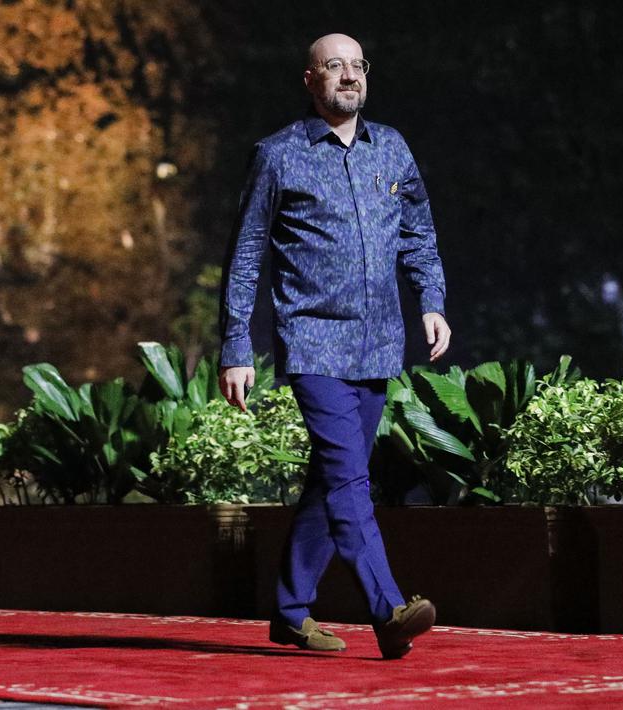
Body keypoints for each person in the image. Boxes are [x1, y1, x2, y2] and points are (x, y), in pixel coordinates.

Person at [218, 33, 452, 660]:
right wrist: (236, 345)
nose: (348, 76)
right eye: (333, 66)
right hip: (314, 342)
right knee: (351, 478)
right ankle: (390, 610)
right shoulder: (277, 156)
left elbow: (419, 232)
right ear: (309, 80)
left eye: (356, 66)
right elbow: (245, 257)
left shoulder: (392, 148)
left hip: (378, 345)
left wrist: (431, 300)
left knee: (331, 480)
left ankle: (291, 612)